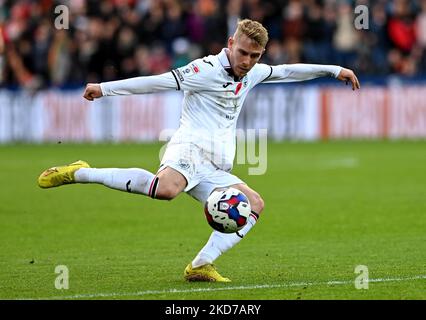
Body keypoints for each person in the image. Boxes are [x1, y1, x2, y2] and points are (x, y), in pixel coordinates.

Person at [38, 19, 360, 282]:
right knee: (165, 190)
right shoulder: (203, 70)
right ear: (231, 44)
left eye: (255, 56)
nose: (248, 62)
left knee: (255, 204)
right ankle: (80, 172)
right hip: (187, 150)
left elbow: (289, 71)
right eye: (244, 53)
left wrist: (335, 70)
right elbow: (156, 82)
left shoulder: (252, 73)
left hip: (214, 165)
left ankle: (200, 265)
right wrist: (104, 90)